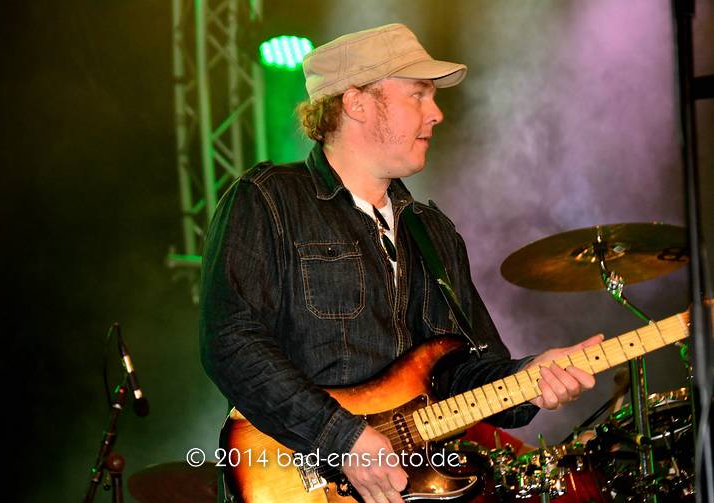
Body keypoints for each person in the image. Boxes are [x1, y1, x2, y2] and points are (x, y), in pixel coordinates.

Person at [200, 23, 601, 503]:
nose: (436, 113)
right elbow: (231, 342)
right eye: (418, 94)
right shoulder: (268, 199)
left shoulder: (433, 232)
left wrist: (529, 379)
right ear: (357, 102)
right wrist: (342, 440)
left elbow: (462, 373)